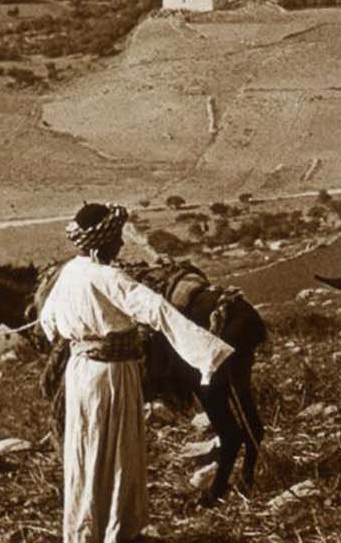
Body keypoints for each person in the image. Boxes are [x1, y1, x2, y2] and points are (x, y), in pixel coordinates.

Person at [38, 203, 234, 543]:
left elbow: (48, 322)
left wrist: (84, 331)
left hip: (81, 371)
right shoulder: (109, 277)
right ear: (104, 242)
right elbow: (157, 310)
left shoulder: (69, 272)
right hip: (111, 375)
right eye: (117, 239)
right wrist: (208, 353)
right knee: (116, 450)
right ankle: (118, 530)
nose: (121, 246)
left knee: (86, 450)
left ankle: (85, 531)